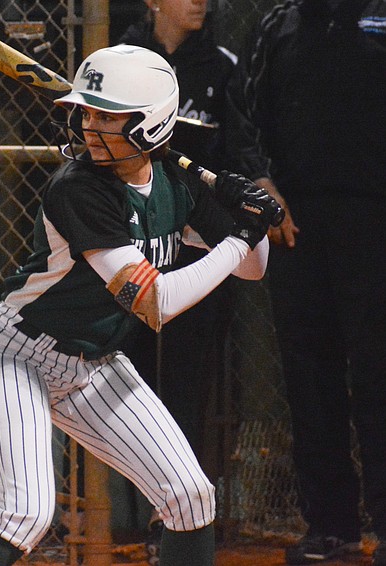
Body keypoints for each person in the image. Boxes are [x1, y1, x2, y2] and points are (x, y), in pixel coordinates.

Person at [0, 44, 280, 566]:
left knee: (191, 497)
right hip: (14, 354)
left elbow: (253, 267)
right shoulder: (78, 187)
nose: (89, 127)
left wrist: (243, 215)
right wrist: (242, 235)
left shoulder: (175, 185)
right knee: (27, 515)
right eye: (89, 112)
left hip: (94, 363)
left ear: (149, 124)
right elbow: (155, 303)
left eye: (109, 116)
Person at [224, 0, 386, 563]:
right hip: (296, 227)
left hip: (375, 225)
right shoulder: (278, 24)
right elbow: (240, 112)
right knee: (310, 378)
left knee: (378, 379)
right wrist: (264, 185)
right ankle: (330, 526)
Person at [117, 0, 238, 561]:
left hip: (194, 241)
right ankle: (122, 515)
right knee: (126, 381)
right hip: (129, 238)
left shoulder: (221, 65)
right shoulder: (121, 58)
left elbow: (239, 145)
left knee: (187, 384)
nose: (200, 2)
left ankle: (177, 526)